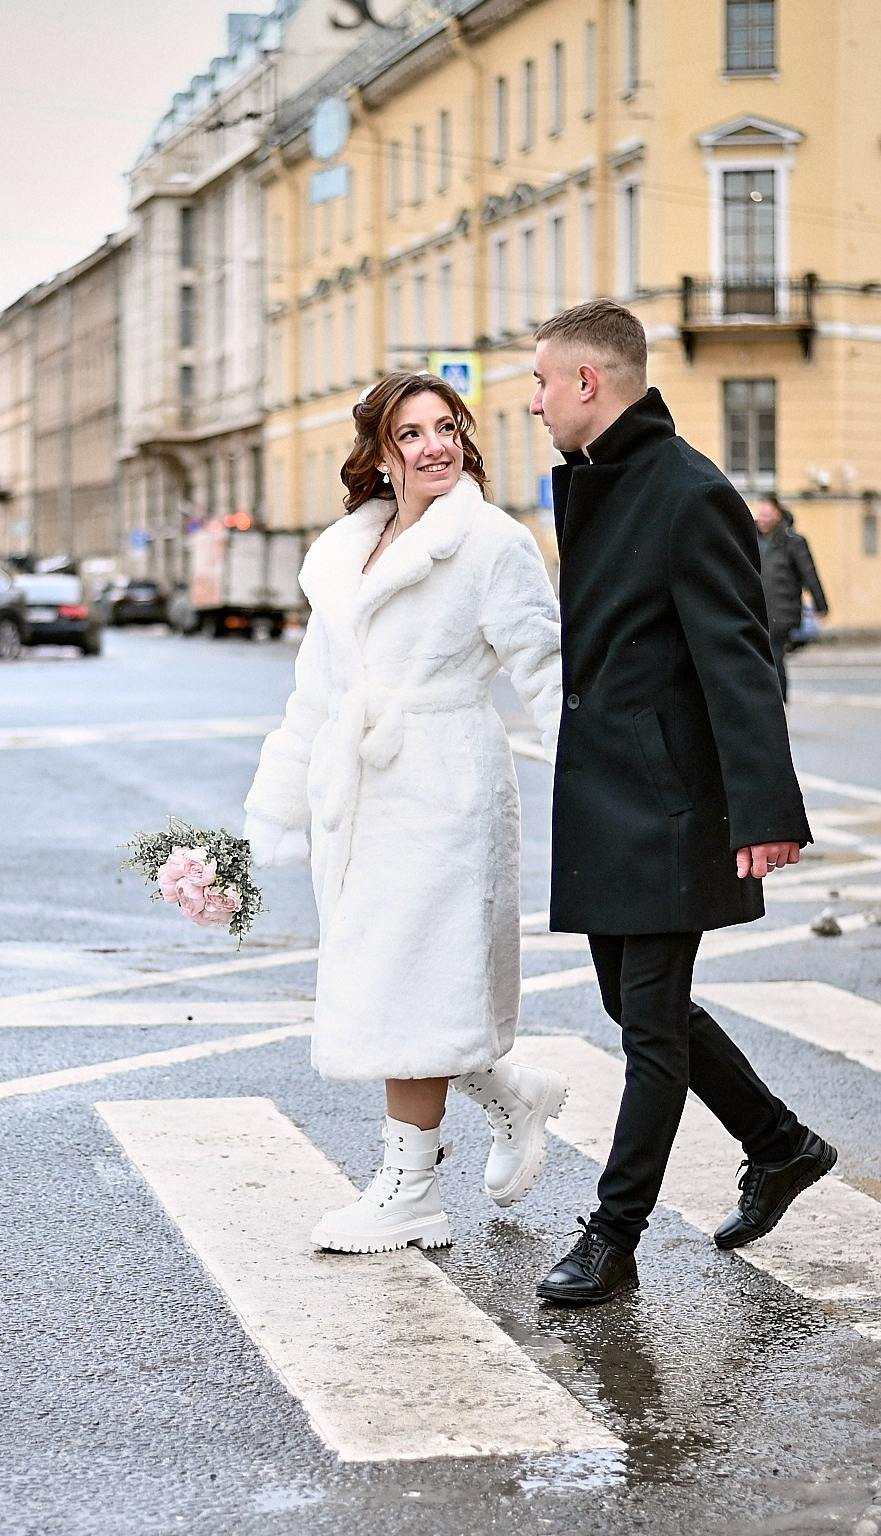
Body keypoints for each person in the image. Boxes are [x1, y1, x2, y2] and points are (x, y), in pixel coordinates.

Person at [527, 299, 836, 1307]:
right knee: (631, 1003)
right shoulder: (598, 480)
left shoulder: (686, 490)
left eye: (540, 383)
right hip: (608, 792)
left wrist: (764, 810)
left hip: (664, 800)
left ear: (587, 382)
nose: (531, 404)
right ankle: (778, 1143)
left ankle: (612, 1238)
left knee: (647, 1029)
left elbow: (737, 660)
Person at [243, 371, 570, 1255]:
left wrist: (604, 777)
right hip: (359, 795)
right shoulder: (349, 553)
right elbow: (318, 693)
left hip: (443, 788)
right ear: (380, 458)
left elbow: (546, 670)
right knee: (400, 981)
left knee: (413, 979)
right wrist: (274, 809)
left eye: (446, 428)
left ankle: (411, 1189)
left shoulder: (493, 545)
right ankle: (511, 1094)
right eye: (412, 434)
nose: (435, 446)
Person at [753, 496, 829, 701]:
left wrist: (821, 604)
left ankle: (779, 703)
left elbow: (809, 574)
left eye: (767, 515)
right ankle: (768, 701)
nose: (762, 519)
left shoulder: (793, 542)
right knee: (762, 658)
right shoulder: (751, 538)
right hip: (757, 611)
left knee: (774, 656)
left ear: (777, 514)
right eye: (760, 514)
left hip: (781, 611)